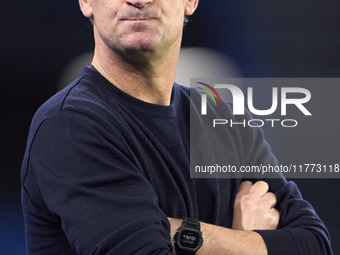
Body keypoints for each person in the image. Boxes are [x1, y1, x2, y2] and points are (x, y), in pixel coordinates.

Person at [21, 0, 332, 254]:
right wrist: (245, 241)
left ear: (191, 2)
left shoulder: (224, 119)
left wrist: (180, 232)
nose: (138, 1)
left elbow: (314, 243)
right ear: (87, 2)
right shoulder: (70, 125)